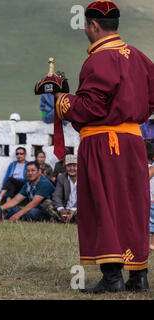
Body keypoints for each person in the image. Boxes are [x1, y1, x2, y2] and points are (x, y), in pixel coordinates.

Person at [36, 1, 153, 293]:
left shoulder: (98, 60)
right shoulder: (139, 57)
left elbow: (90, 107)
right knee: (133, 206)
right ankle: (138, 276)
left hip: (104, 143)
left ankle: (112, 277)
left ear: (93, 26)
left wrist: (62, 97)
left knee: (103, 204)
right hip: (133, 140)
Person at [45, 154, 78, 223]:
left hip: (78, 208)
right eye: (69, 166)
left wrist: (74, 209)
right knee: (47, 203)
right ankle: (66, 218)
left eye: (74, 166)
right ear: (66, 167)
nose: (72, 168)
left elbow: (85, 199)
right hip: (65, 207)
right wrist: (61, 209)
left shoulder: (85, 179)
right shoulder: (62, 178)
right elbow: (56, 195)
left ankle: (60, 219)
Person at [145, 140, 154, 251]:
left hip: (145, 200)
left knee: (145, 224)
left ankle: (147, 243)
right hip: (151, 200)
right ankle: (152, 243)